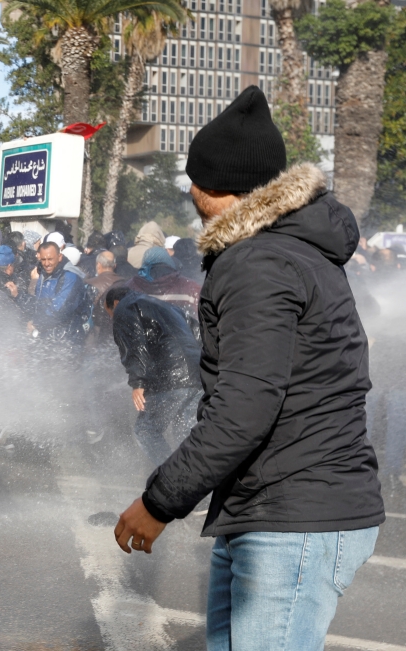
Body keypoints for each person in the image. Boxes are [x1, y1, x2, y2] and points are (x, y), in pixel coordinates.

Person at [114, 86, 384, 650]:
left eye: (191, 178)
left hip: (294, 514)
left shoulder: (257, 261)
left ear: (210, 187)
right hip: (275, 506)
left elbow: (242, 410)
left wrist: (159, 502)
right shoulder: (287, 249)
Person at [106, 286, 202, 465]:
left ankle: (172, 481)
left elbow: (134, 344)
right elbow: (198, 334)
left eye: (110, 312)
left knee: (146, 430)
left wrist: (138, 383)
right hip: (197, 376)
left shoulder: (125, 307)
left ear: (115, 303)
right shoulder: (167, 307)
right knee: (185, 433)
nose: (113, 317)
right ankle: (199, 486)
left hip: (170, 377)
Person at [8, 241, 89, 344]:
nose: (46, 263)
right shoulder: (43, 275)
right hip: (46, 337)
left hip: (67, 339)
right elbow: (38, 304)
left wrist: (37, 323)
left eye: (50, 259)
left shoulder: (70, 278)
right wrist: (18, 296)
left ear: (59, 257)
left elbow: (59, 310)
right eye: (43, 259)